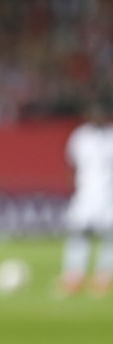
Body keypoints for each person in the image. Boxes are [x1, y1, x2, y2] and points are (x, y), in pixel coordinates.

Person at [61, 101, 113, 297]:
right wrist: (72, 190)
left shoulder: (111, 137)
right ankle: (74, 277)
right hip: (85, 195)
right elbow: (71, 165)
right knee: (77, 234)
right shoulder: (80, 137)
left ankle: (103, 278)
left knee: (109, 237)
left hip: (109, 197)